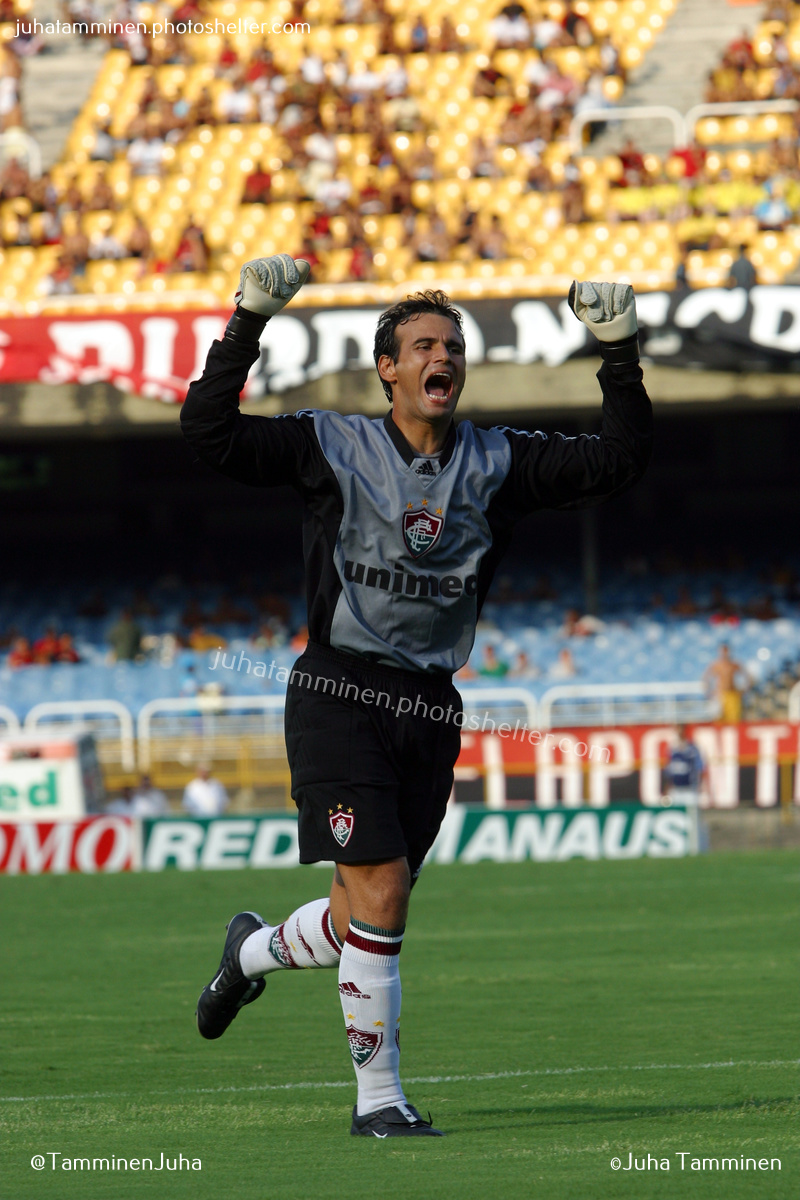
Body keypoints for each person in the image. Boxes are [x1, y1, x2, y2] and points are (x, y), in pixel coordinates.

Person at [180, 259, 651, 1137]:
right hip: (337, 692)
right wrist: (249, 319)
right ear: (388, 369)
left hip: (431, 708)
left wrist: (619, 350)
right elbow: (209, 433)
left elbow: (621, 461)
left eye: (454, 346)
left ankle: (248, 951)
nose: (444, 356)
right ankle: (378, 1104)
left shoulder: (499, 461)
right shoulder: (334, 445)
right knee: (385, 894)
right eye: (424, 345)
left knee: (363, 911)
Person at [704, 642, 749, 724]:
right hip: (720, 694)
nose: (724, 653)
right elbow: (706, 678)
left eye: (726, 650)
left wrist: (743, 690)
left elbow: (747, 677)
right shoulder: (716, 665)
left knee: (734, 720)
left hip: (732, 694)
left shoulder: (734, 664)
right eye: (722, 651)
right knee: (719, 720)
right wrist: (709, 691)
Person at [664, 725, 705, 805]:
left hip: (690, 789)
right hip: (676, 789)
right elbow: (669, 771)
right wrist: (667, 787)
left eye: (680, 730)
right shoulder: (672, 749)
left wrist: (699, 784)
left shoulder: (693, 749)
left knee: (691, 814)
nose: (679, 733)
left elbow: (700, 767)